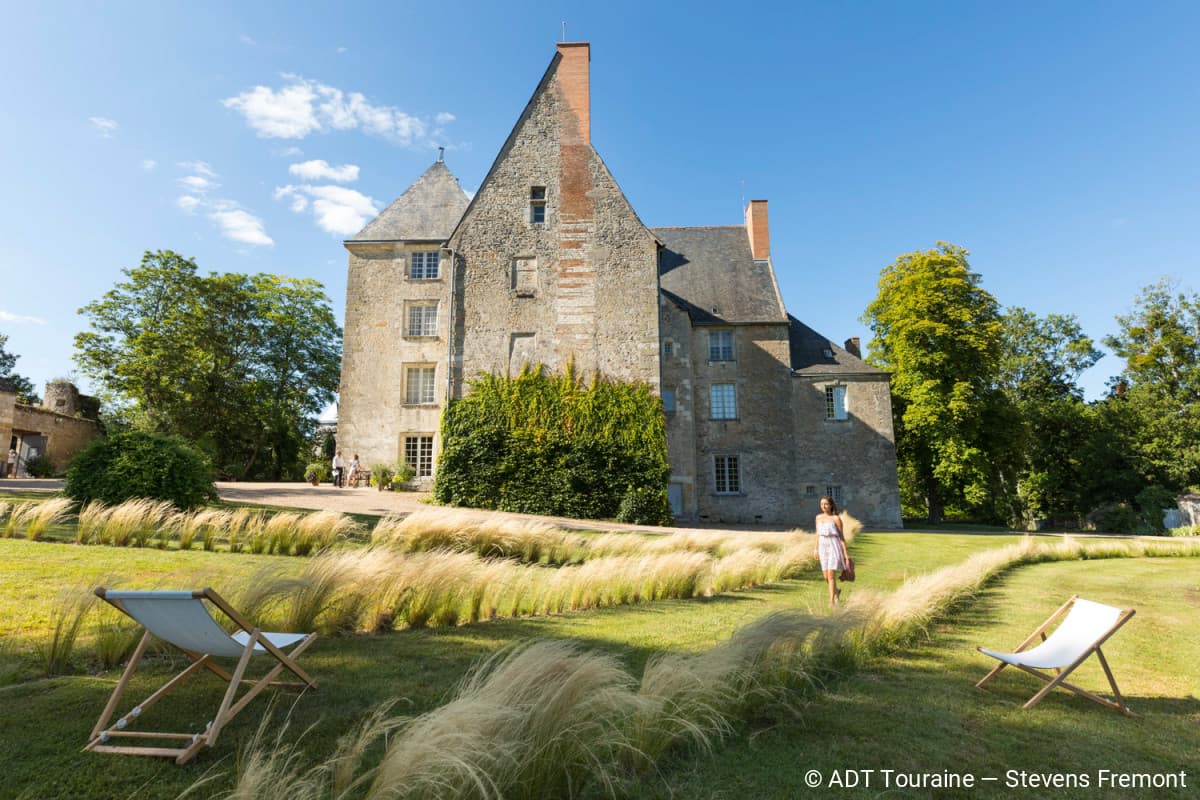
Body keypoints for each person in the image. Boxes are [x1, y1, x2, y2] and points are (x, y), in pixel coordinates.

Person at [814, 495, 850, 607]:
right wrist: (815, 549)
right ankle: (836, 591)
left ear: (831, 505)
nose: (823, 506)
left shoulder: (836, 519)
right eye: (821, 504)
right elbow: (817, 534)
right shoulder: (818, 517)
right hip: (822, 546)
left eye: (826, 504)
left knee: (830, 575)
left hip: (833, 545)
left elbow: (842, 538)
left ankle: (832, 602)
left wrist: (846, 555)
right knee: (825, 576)